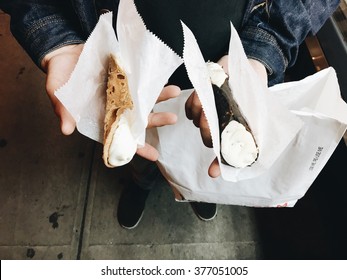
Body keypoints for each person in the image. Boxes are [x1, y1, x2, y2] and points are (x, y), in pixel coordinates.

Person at [0, 0, 339, 229]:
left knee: (205, 153)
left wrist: (266, 45)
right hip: (115, 61)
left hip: (225, 69)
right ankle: (141, 183)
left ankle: (196, 190)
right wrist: (53, 36)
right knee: (140, 150)